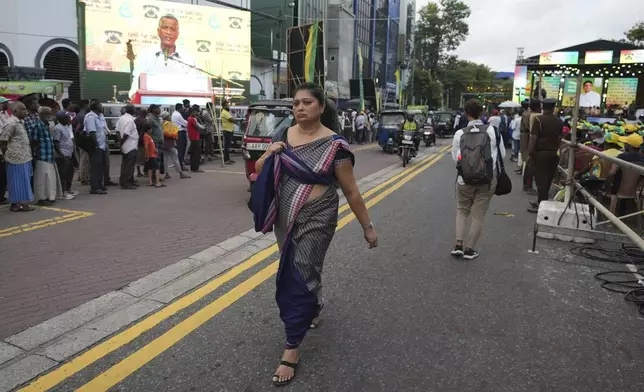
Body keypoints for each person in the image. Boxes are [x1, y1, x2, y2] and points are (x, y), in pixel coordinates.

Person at [253, 82, 377, 386]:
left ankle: (291, 347)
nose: (299, 108)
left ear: (321, 107)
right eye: (295, 103)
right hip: (285, 215)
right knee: (300, 266)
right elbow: (257, 171)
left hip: (319, 215)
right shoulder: (283, 136)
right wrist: (269, 152)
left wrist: (367, 226)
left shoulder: (335, 145)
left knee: (301, 269)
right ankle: (313, 303)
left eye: (307, 103)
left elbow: (350, 190)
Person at [450, 99, 505, 260]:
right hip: (487, 180)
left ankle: (458, 245)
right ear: (481, 113)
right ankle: (470, 249)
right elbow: (502, 156)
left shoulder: (460, 133)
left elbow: (456, 158)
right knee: (478, 215)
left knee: (461, 210)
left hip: (464, 179)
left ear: (466, 113)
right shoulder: (493, 131)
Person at [128, 15, 197, 98]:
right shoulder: (146, 55)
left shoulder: (187, 59)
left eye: (173, 29)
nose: (168, 32)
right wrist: (134, 95)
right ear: (158, 31)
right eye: (165, 28)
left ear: (177, 34)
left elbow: (195, 87)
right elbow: (136, 83)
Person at [527, 99, 563, 213]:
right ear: (553, 108)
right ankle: (541, 201)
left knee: (540, 180)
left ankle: (541, 205)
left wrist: (530, 153)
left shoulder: (538, 120)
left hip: (540, 153)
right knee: (547, 180)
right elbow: (560, 138)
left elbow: (533, 138)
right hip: (554, 153)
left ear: (543, 107)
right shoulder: (559, 121)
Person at [0, 102, 34, 211]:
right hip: (15, 158)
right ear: (15, 111)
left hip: (24, 157)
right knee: (16, 182)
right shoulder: (11, 123)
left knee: (23, 181)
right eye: (23, 109)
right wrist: (7, 154)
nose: (26, 111)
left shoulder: (20, 122)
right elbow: (3, 141)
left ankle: (20, 203)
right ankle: (15, 204)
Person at [29, 107, 63, 205]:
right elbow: (33, 142)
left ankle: (50, 197)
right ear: (40, 115)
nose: (48, 116)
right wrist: (35, 154)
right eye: (46, 114)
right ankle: (41, 199)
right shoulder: (37, 126)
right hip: (41, 156)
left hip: (49, 156)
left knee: (50, 178)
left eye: (49, 113)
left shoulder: (47, 125)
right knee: (41, 179)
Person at [84, 100, 109, 195]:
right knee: (95, 167)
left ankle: (99, 184)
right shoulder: (91, 117)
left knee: (100, 167)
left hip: (102, 145)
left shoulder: (99, 116)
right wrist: (96, 144)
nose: (102, 107)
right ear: (96, 107)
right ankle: (94, 187)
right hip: (96, 146)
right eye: (100, 105)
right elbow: (92, 133)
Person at [52, 111, 78, 198]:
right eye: (67, 117)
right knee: (63, 173)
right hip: (63, 154)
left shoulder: (66, 126)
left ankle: (68, 189)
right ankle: (63, 192)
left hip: (69, 153)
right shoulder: (58, 128)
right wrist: (61, 154)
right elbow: (56, 142)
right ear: (62, 119)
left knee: (70, 172)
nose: (69, 119)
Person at [160, 111, 190, 179]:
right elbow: (171, 134)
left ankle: (167, 173)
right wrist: (175, 137)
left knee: (165, 159)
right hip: (170, 143)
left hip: (163, 144)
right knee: (175, 159)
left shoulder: (161, 123)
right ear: (167, 117)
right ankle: (181, 173)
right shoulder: (168, 124)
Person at [116, 104, 139, 189]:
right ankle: (127, 183)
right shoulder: (130, 120)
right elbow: (126, 133)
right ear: (133, 110)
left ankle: (127, 181)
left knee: (125, 164)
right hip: (130, 145)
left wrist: (120, 142)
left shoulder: (121, 118)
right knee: (129, 165)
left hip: (125, 145)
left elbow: (117, 130)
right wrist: (121, 142)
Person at [73, 99, 91, 185]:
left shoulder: (80, 115)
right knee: (84, 159)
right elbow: (77, 129)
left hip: (80, 140)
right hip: (83, 141)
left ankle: (82, 176)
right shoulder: (82, 116)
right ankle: (83, 178)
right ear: (86, 105)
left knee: (83, 159)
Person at [187, 106, 204, 172]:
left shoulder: (191, 118)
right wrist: (203, 127)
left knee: (193, 152)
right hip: (194, 137)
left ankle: (193, 167)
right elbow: (197, 126)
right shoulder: (192, 119)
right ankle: (196, 167)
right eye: (194, 112)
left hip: (193, 136)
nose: (196, 113)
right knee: (196, 153)